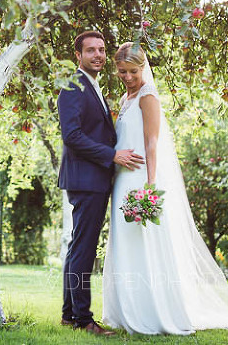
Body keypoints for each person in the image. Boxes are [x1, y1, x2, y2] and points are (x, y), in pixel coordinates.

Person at [102, 42, 228, 335]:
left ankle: (156, 312)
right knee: (127, 241)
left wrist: (151, 186)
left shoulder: (148, 96)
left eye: (132, 71)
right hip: (122, 180)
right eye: (122, 72)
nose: (128, 77)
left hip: (142, 178)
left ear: (143, 68)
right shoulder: (125, 97)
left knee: (146, 242)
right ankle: (129, 308)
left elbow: (152, 142)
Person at [58, 31, 144, 337]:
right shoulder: (72, 86)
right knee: (83, 250)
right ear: (78, 56)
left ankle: (70, 315)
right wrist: (113, 155)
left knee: (78, 248)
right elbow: (72, 136)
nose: (98, 55)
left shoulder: (93, 87)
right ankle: (83, 318)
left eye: (102, 50)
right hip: (86, 178)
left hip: (93, 178)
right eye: (91, 50)